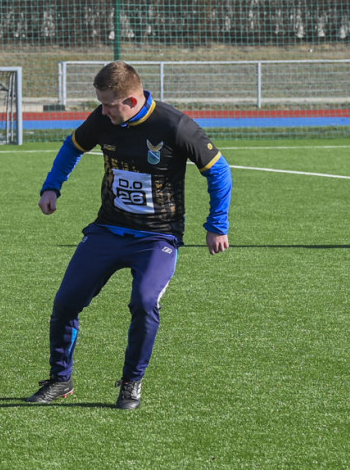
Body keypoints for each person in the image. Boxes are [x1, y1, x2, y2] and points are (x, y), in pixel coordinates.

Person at [29, 61, 232, 410]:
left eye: (109, 104)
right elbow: (72, 147)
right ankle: (61, 379)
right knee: (65, 303)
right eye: (101, 103)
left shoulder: (175, 125)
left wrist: (217, 224)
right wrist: (52, 187)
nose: (103, 111)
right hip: (107, 230)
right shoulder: (102, 119)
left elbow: (219, 171)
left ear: (133, 101)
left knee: (143, 303)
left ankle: (130, 383)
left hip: (156, 238)